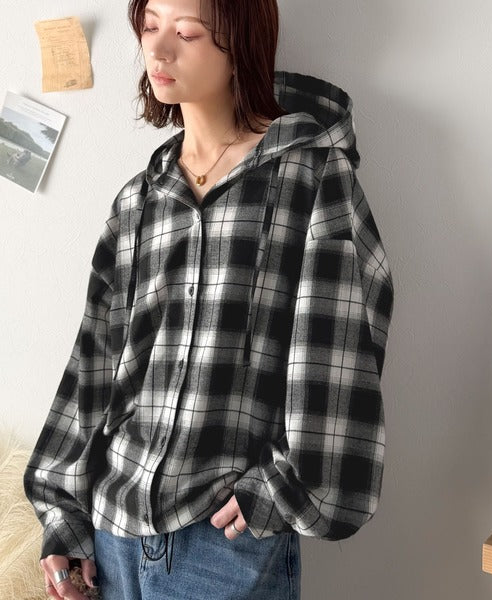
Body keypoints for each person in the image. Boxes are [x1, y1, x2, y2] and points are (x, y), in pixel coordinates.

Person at [23, 0, 395, 598]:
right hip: (112, 533)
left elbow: (345, 340)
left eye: (186, 32)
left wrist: (283, 489)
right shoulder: (139, 201)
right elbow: (95, 358)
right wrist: (63, 513)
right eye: (149, 27)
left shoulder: (309, 176)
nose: (157, 49)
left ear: (241, 45)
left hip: (224, 541)